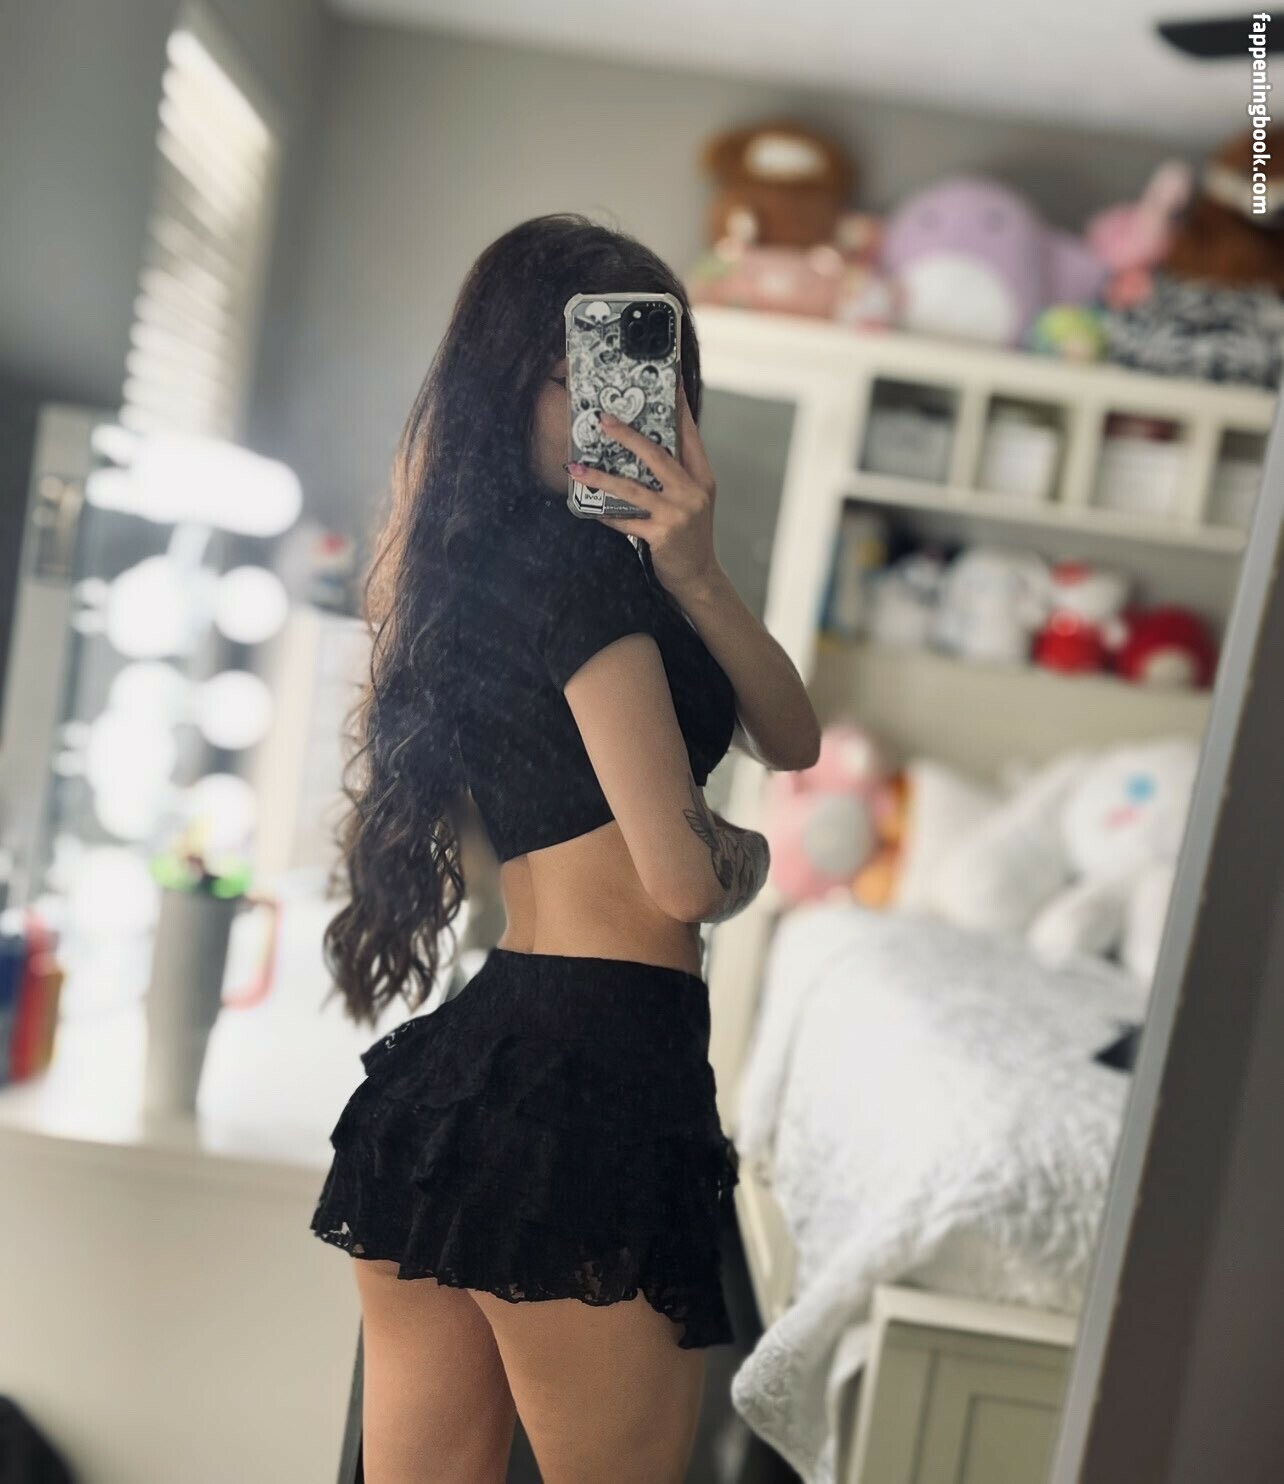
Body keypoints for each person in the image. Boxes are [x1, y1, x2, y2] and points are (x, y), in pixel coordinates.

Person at [309, 212, 820, 1484]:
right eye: (563, 375)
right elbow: (681, 877)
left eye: (645, 371)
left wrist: (695, 568)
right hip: (600, 1074)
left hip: (468, 1081)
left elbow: (792, 731)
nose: (607, 407)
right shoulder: (583, 583)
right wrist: (752, 855)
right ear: (504, 387)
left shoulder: (485, 567)